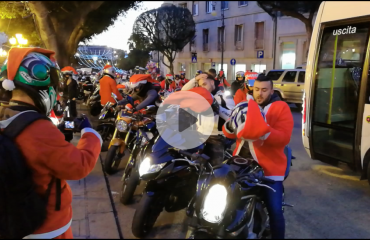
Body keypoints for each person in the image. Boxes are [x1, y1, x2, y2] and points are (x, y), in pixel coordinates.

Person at [0, 47, 102, 238]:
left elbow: (32, 149)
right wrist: (89, 133)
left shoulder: (7, 115)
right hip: (46, 225)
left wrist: (58, 131)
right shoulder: (38, 128)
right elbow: (79, 166)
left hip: (15, 215)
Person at [222, 77, 294, 239]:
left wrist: (262, 130)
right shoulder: (246, 105)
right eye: (257, 89)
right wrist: (229, 125)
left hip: (269, 169)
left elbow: (283, 138)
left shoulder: (281, 108)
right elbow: (229, 133)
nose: (259, 94)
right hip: (241, 166)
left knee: (275, 210)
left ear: (271, 91)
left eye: (264, 90)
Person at [194, 73, 235, 166]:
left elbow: (232, 117)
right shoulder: (199, 97)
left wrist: (218, 108)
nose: (202, 88)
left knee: (215, 168)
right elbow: (184, 91)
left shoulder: (224, 97)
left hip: (216, 136)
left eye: (204, 84)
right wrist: (195, 79)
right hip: (199, 135)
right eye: (200, 86)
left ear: (212, 82)